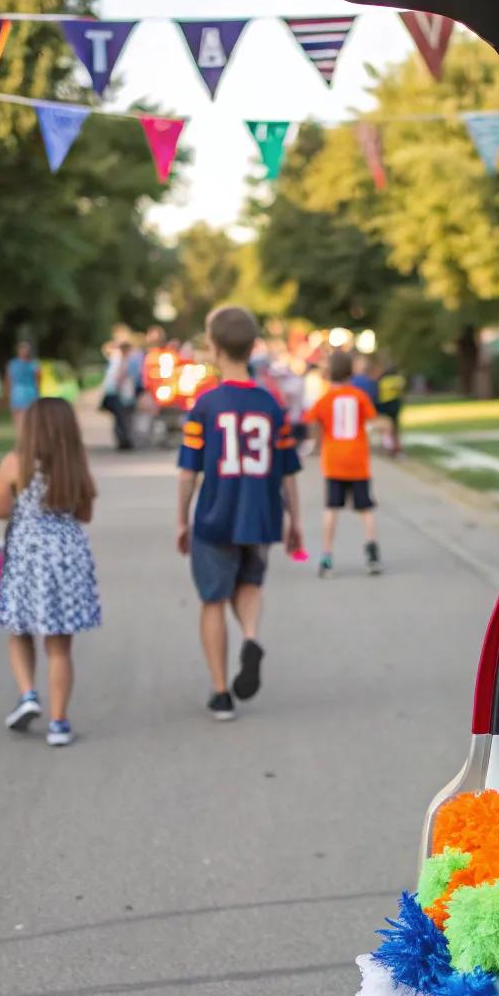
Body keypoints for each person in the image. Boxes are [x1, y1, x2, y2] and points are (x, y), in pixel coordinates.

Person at [177, 306, 303, 722]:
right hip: (262, 516)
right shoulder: (271, 405)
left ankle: (220, 693)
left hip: (216, 515)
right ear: (253, 346)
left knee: (213, 599)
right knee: (249, 584)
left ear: (212, 347)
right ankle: (250, 636)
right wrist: (294, 521)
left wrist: (181, 518)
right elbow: (288, 472)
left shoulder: (205, 405)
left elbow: (188, 471)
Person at [0, 398, 100, 747]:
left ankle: (27, 695)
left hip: (26, 556)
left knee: (19, 629)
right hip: (67, 557)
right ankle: (59, 723)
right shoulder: (75, 466)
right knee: (59, 645)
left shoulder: (14, 464)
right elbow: (85, 515)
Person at [303, 349, 381, 577]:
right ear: (351, 371)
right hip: (357, 459)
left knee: (331, 508)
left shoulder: (325, 399)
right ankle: (372, 550)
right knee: (365, 507)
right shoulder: (358, 396)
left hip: (333, 459)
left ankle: (327, 555)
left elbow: (312, 422)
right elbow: (371, 419)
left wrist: (318, 443)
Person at [101, 341, 137, 450]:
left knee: (120, 419)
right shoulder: (121, 360)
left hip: (117, 394)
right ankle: (124, 441)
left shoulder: (115, 360)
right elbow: (120, 377)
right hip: (121, 394)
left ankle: (123, 440)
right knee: (123, 418)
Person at [6, 340, 40, 437]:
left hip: (30, 393)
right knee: (18, 419)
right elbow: (9, 380)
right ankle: (21, 438)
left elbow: (37, 380)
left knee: (30, 418)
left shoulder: (34, 364)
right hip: (17, 393)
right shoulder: (12, 364)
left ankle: (28, 438)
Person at [375, 362, 406, 455]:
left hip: (385, 404)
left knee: (387, 427)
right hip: (395, 404)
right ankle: (395, 447)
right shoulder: (399, 380)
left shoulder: (382, 380)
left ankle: (388, 445)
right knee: (395, 427)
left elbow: (379, 392)